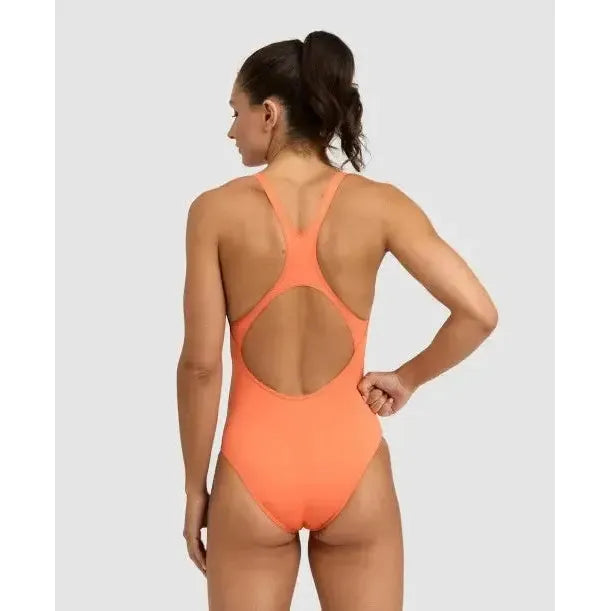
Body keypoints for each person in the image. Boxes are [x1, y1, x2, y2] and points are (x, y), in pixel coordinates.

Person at [176, 30, 498, 610]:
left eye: (235, 112)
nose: (231, 130)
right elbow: (478, 313)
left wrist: (195, 489)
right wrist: (407, 378)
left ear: (269, 113)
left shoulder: (215, 211)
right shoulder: (381, 204)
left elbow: (201, 367)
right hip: (352, 466)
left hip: (251, 470)